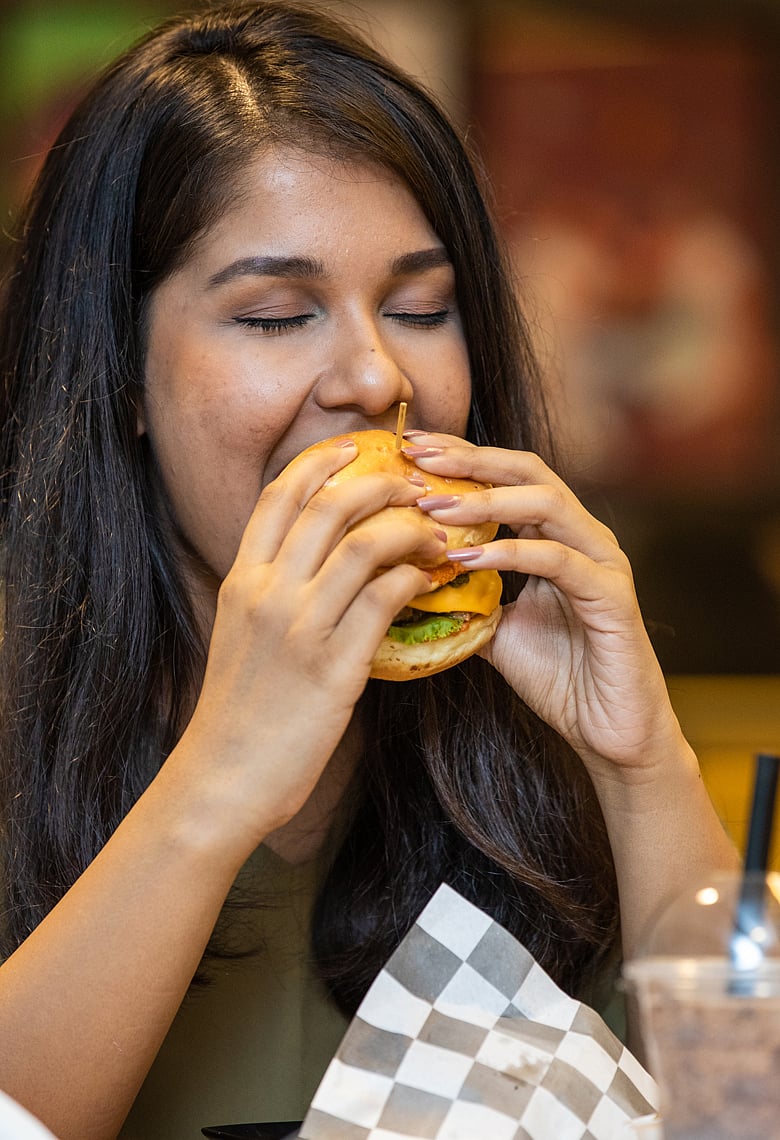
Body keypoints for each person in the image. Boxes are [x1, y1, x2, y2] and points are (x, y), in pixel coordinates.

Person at [0, 3, 737, 1139]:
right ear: (120, 373)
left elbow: (744, 1110)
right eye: (278, 314)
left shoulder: (520, 765)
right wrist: (219, 782)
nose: (375, 374)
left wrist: (643, 770)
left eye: (420, 309)